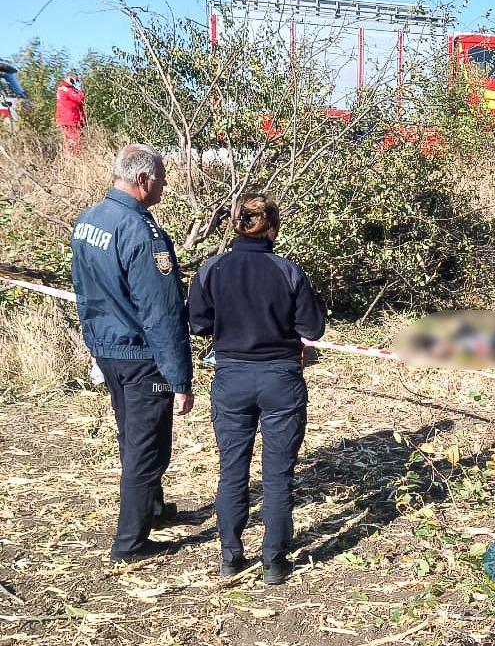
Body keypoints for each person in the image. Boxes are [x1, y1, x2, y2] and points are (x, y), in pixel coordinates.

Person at [188, 195, 325, 585]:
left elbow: (197, 323)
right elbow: (313, 328)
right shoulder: (288, 271)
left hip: (231, 377)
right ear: (273, 226)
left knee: (232, 470)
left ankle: (231, 555)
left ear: (235, 225)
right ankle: (274, 560)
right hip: (280, 379)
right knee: (278, 474)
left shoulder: (212, 268)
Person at [70, 143, 193, 562]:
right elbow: (161, 311)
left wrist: (94, 345)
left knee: (131, 434)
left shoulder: (89, 220)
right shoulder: (142, 232)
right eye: (161, 178)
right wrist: (180, 379)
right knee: (147, 446)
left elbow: (84, 291)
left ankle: (152, 509)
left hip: (109, 347)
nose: (164, 184)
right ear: (142, 180)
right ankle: (131, 543)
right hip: (141, 355)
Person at [56, 73, 86, 155]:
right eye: (75, 81)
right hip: (72, 119)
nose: (75, 83)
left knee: (68, 142)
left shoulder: (61, 89)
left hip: (65, 119)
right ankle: (75, 159)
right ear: (71, 79)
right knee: (76, 141)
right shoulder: (67, 89)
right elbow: (80, 98)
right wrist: (82, 88)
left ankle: (69, 159)